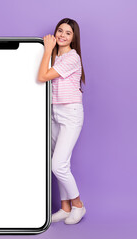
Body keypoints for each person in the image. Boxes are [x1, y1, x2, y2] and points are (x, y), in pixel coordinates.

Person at [38, 18, 86, 224]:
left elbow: (43, 76)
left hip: (70, 114)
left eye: (68, 33)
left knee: (57, 165)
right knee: (58, 162)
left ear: (74, 38)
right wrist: (50, 52)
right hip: (54, 113)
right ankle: (65, 208)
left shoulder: (72, 58)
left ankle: (78, 205)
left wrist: (47, 49)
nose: (62, 35)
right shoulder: (56, 56)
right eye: (60, 31)